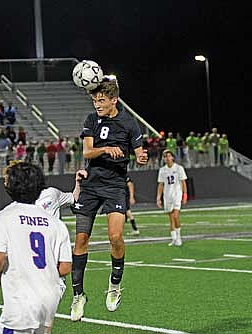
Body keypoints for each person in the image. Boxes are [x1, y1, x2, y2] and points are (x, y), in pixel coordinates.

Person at [69, 77, 148, 321]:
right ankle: (78, 295)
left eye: (101, 100)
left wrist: (142, 158)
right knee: (81, 239)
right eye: (94, 100)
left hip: (115, 185)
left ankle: (114, 285)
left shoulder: (129, 123)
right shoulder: (91, 120)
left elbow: (138, 154)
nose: (97, 104)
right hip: (92, 184)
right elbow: (87, 152)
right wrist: (105, 149)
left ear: (114, 100)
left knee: (115, 237)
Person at [0, 161, 72, 334]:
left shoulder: (3, 217)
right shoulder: (56, 224)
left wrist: (0, 278)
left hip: (18, 303)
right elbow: (65, 267)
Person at [156, 149, 188, 247]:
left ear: (172, 157)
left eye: (169, 156)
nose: (167, 158)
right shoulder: (162, 170)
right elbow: (161, 185)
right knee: (171, 218)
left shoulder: (179, 168)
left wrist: (185, 194)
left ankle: (179, 237)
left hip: (177, 194)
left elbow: (183, 182)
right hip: (167, 195)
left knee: (176, 216)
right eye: (165, 157)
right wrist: (158, 197)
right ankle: (174, 238)